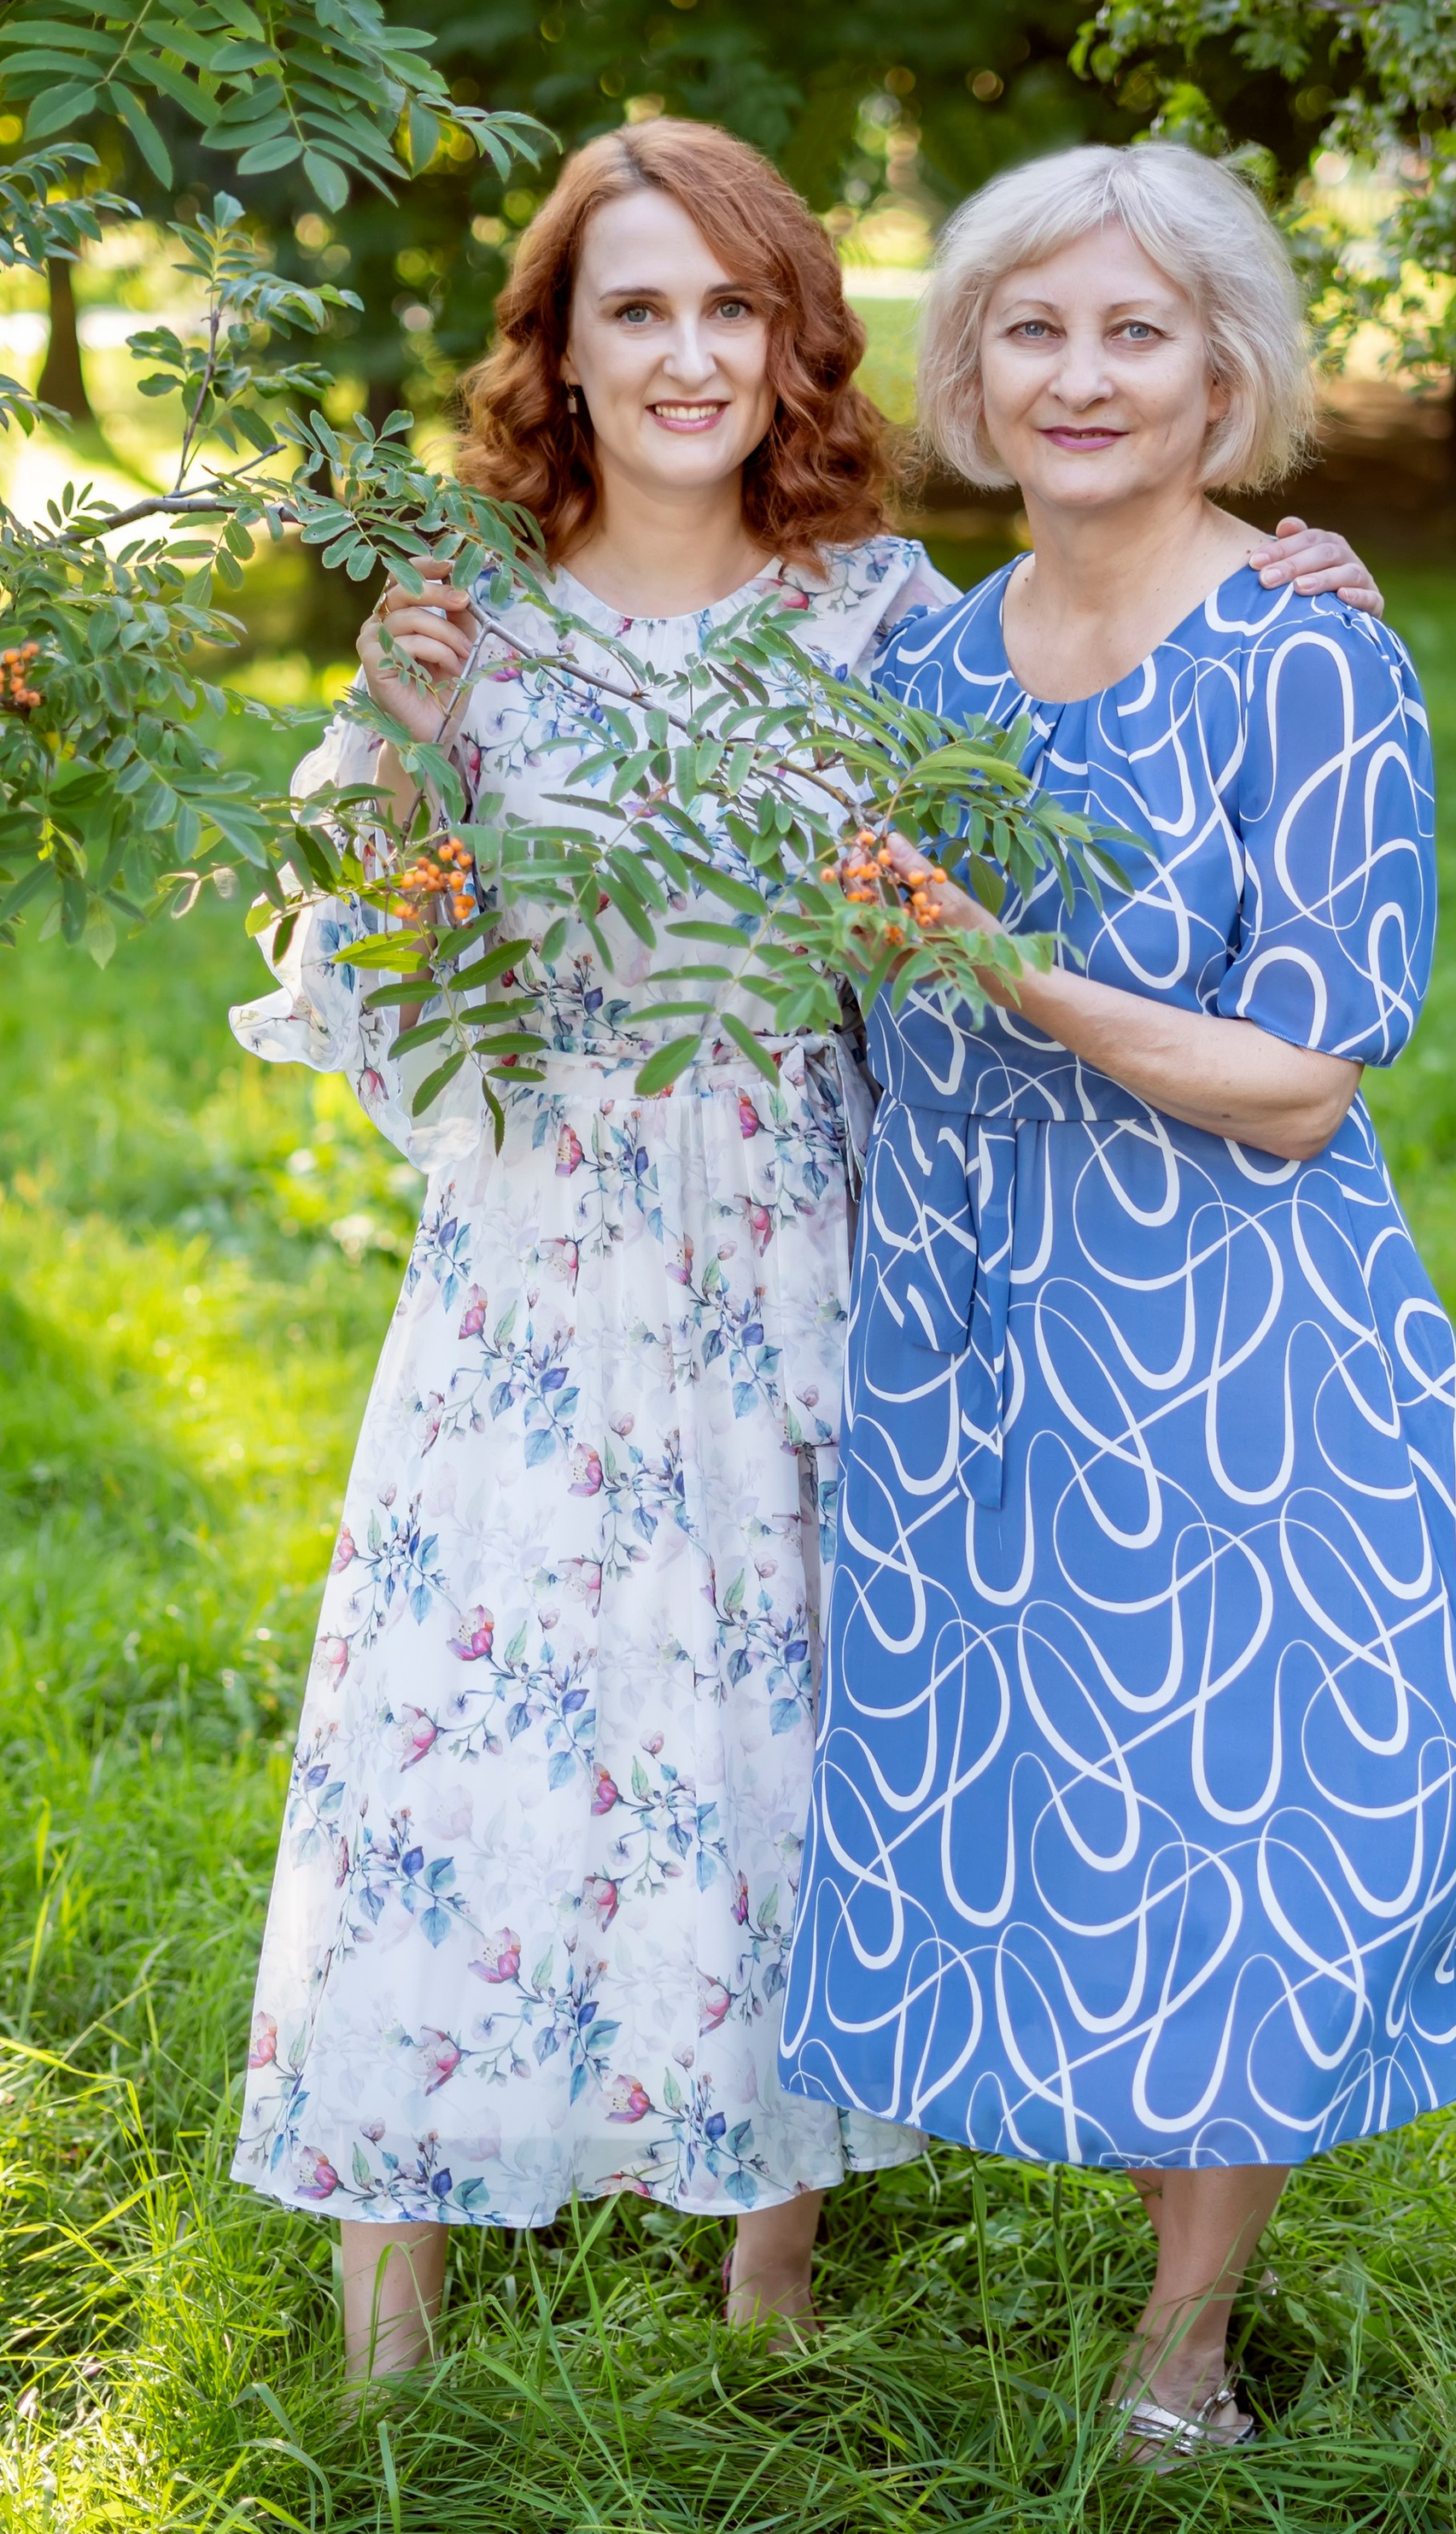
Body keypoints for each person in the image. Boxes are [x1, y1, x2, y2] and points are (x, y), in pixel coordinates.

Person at [228, 116, 1386, 2382]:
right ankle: (390, 2312)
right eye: (634, 309)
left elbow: (1077, 743)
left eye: (730, 309)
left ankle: (773, 2270)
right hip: (540, 1263)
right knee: (461, 1719)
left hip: (804, 1250)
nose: (686, 354)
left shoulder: (884, 629)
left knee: (779, 1734)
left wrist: (1284, 578)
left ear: (792, 348)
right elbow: (373, 979)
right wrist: (399, 746)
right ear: (558, 350)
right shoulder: (464, 621)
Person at [776, 142, 1456, 2463]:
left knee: (1244, 1806)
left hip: (1230, 1341)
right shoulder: (919, 663)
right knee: (1062, 1790)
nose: (1081, 377)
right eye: (1034, 330)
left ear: (1224, 374)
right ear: (971, 369)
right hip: (972, 1324)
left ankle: (1180, 2352)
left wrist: (1002, 962)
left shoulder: (1311, 649)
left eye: (1137, 332)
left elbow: (1298, 1081)